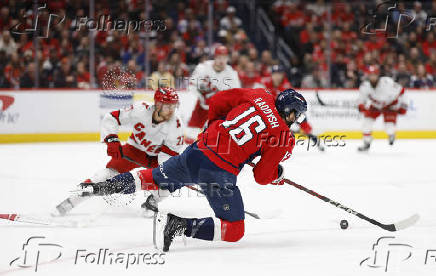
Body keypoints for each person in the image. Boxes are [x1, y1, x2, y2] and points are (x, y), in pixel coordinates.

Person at [78, 88, 308, 252]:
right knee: (234, 230)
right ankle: (179, 225)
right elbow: (261, 176)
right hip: (219, 173)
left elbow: (218, 99)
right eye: (296, 116)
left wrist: (215, 126)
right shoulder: (284, 137)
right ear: (290, 112)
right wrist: (277, 175)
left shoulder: (258, 94)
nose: (296, 120)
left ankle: (106, 186)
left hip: (198, 150)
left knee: (153, 178)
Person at [54, 88, 185, 216]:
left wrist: (165, 173)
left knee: (169, 183)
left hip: (155, 159)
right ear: (158, 104)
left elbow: (169, 155)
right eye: (168, 106)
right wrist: (112, 140)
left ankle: (153, 201)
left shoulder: (177, 126)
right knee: (103, 176)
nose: (171, 110)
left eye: (174, 106)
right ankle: (72, 201)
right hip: (133, 150)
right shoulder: (140, 109)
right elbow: (112, 117)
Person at [185, 45, 241, 144]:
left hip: (218, 111)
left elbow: (236, 96)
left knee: (213, 140)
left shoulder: (232, 74)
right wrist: (199, 95)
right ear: (215, 57)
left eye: (224, 58)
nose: (221, 61)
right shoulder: (203, 68)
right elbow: (191, 86)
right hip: (201, 107)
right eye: (219, 57)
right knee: (190, 138)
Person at [358, 65, 407, 151]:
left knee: (389, 128)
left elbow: (402, 91)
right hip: (375, 106)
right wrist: (361, 106)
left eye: (374, 75)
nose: (372, 77)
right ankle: (366, 142)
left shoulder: (387, 82)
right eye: (370, 75)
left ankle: (391, 134)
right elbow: (361, 100)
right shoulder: (364, 86)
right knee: (366, 123)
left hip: (390, 105)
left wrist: (403, 106)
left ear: (378, 75)